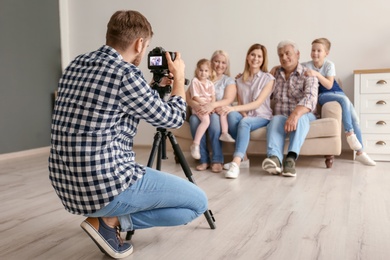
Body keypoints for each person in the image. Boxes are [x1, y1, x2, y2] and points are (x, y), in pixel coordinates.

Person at [48, 10, 208, 259]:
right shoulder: (125, 73)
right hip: (103, 184)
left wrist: (155, 88)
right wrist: (178, 80)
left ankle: (105, 220)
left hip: (65, 186)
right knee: (197, 203)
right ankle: (109, 221)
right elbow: (174, 118)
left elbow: (122, 102)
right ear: (140, 43)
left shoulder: (75, 64)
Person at [302, 38, 376, 166]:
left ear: (326, 53)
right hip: (324, 95)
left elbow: (330, 84)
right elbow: (292, 67)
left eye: (319, 50)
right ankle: (349, 133)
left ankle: (360, 153)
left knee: (356, 120)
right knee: (344, 100)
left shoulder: (329, 65)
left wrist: (317, 74)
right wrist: (276, 67)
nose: (315, 53)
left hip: (338, 93)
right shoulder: (306, 65)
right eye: (313, 50)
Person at [262, 40, 319, 177]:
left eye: (288, 54)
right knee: (275, 119)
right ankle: (275, 159)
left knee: (301, 118)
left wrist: (295, 115)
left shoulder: (308, 74)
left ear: (297, 54)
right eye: (280, 55)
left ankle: (290, 160)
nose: (284, 58)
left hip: (304, 114)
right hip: (281, 116)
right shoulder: (274, 74)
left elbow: (310, 99)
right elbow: (260, 89)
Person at [221, 44, 274, 178]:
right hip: (247, 115)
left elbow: (257, 103)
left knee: (243, 121)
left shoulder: (268, 79)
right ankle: (244, 159)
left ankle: (236, 163)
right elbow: (241, 103)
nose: (256, 58)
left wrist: (234, 109)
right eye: (253, 55)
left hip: (263, 116)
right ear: (247, 56)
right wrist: (238, 112)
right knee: (232, 116)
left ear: (263, 60)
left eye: (259, 56)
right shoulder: (239, 80)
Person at [186, 50, 238, 173]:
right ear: (211, 63)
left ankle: (217, 159)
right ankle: (203, 159)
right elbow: (188, 96)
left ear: (227, 65)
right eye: (216, 61)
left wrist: (211, 105)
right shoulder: (201, 76)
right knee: (193, 120)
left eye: (223, 62)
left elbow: (228, 99)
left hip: (217, 112)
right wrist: (196, 105)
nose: (220, 65)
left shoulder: (228, 80)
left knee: (214, 120)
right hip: (200, 110)